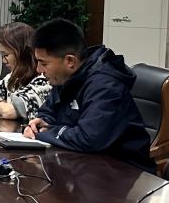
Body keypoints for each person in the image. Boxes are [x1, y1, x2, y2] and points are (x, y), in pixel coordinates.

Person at [23, 18, 153, 171]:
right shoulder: (65, 77)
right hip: (80, 163)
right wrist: (40, 123)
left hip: (123, 171)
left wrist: (48, 131)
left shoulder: (105, 86)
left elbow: (89, 138)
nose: (39, 70)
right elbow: (48, 111)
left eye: (44, 63)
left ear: (70, 61)